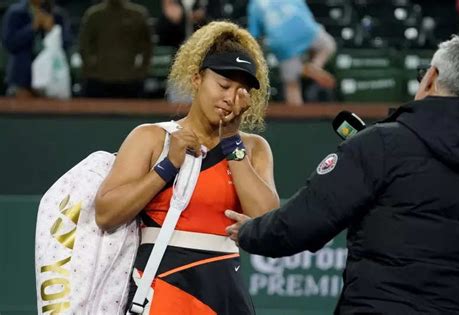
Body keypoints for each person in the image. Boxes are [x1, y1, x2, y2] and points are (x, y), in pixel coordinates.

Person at [226, 35, 459, 314]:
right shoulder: (382, 144)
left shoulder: (381, 144)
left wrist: (251, 232)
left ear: (431, 78)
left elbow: (303, 222)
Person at [94, 21, 280, 314]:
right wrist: (168, 166)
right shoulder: (151, 137)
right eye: (224, 85)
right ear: (196, 79)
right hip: (162, 291)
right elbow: (106, 213)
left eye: (242, 91)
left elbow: (268, 222)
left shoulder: (254, 149)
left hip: (226, 297)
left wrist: (232, 141)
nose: (231, 98)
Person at [247, 0, 337, 106]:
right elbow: (308, 15)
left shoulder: (255, 4)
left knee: (292, 85)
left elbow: (254, 36)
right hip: (306, 30)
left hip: (282, 43)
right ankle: (315, 65)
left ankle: (299, 118)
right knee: (328, 45)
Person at [79, 0, 152, 98]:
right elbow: (84, 46)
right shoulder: (94, 15)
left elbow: (148, 47)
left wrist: (141, 72)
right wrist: (92, 71)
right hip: (99, 81)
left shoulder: (138, 15)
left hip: (130, 81)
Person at [1, 0, 72, 98]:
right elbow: (9, 43)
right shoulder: (15, 12)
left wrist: (52, 30)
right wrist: (32, 27)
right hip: (22, 80)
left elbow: (67, 44)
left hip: (50, 80)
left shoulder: (58, 15)